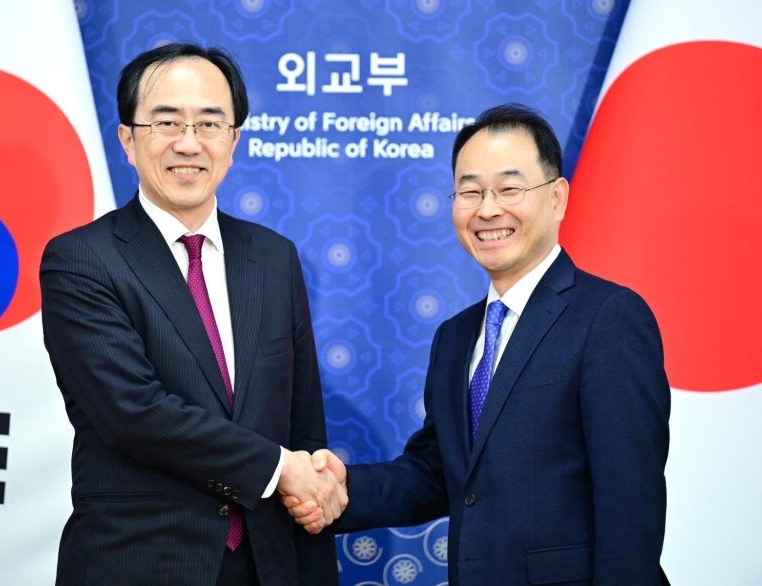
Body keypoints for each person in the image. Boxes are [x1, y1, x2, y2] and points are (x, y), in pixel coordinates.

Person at [286, 103, 671, 585]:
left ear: (557, 198)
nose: (488, 209)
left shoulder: (609, 318)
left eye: (510, 189)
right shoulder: (455, 336)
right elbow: (436, 473)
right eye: (470, 191)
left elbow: (630, 503)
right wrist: (343, 489)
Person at [40, 43, 343, 586]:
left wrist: (315, 481)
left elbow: (302, 421)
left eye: (209, 123)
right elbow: (134, 412)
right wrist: (282, 469)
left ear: (234, 141)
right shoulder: (81, 259)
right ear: (127, 141)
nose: (189, 143)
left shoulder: (273, 257)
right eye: (166, 123)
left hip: (265, 565)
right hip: (139, 564)